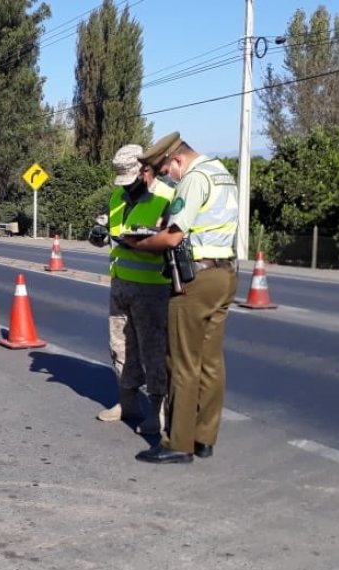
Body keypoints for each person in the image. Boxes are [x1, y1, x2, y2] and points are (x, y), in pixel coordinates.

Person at [122, 132, 239, 464]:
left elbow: (174, 237)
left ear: (175, 159)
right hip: (225, 273)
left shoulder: (193, 179)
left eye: (164, 171)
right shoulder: (221, 172)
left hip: (195, 279)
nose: (166, 178)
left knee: (182, 362)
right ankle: (204, 438)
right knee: (211, 362)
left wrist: (137, 243)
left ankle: (177, 443)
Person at [87, 144, 176, 434]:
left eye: (132, 179)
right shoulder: (116, 196)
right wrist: (97, 235)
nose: (128, 187)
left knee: (153, 352)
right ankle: (127, 401)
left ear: (146, 172)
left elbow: (175, 242)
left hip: (153, 289)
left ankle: (157, 410)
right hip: (120, 285)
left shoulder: (167, 198)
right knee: (120, 347)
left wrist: (142, 241)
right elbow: (104, 234)